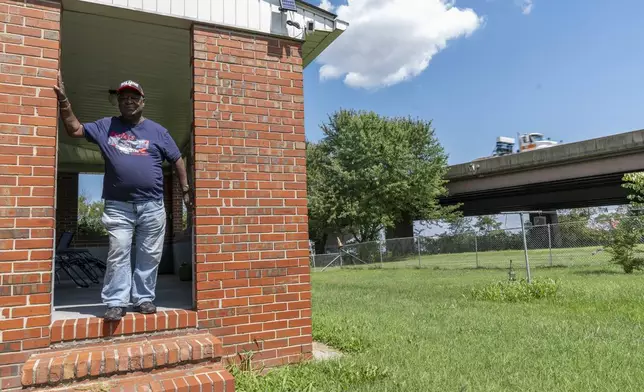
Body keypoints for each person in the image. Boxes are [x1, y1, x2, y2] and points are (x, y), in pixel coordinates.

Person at [54, 73, 191, 321]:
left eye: (133, 97)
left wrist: (185, 190)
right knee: (119, 250)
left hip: (152, 205)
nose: (128, 101)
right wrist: (65, 102)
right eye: (123, 97)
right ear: (118, 103)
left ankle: (143, 298)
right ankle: (116, 301)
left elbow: (177, 159)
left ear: (142, 102)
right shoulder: (106, 126)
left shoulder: (157, 131)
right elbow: (74, 129)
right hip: (118, 206)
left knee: (150, 254)